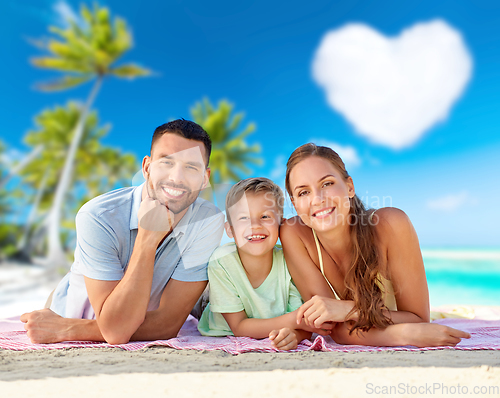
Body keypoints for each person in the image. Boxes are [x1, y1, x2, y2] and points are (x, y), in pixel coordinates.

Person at [21, 120, 225, 344]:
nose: (177, 178)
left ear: (204, 178)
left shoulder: (209, 220)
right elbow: (117, 331)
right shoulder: (98, 216)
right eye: (167, 162)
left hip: (105, 319)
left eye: (191, 167)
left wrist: (70, 329)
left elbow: (166, 323)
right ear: (147, 167)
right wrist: (147, 238)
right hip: (73, 308)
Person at [280, 143, 470, 348]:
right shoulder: (293, 234)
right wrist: (403, 335)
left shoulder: (390, 225)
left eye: (327, 184)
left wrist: (346, 310)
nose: (317, 199)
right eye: (303, 193)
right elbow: (333, 328)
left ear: (350, 187)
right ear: (294, 204)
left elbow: (418, 319)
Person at [197, 177, 329, 350]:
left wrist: (294, 336)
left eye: (265, 216)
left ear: (281, 225)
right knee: (201, 303)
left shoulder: (290, 260)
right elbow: (239, 327)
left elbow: (304, 326)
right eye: (244, 218)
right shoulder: (222, 261)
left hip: (269, 317)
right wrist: (294, 321)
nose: (255, 226)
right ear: (230, 229)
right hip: (222, 317)